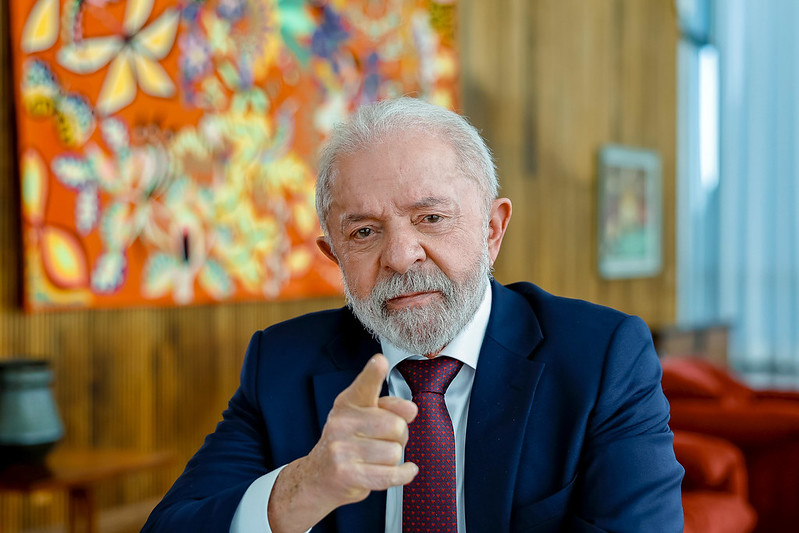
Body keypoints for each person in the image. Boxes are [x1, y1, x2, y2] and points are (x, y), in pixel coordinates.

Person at [142, 98, 684, 532]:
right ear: (335, 256)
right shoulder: (280, 365)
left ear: (492, 230)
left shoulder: (603, 357)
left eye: (431, 218)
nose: (401, 256)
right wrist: (304, 487)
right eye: (364, 232)